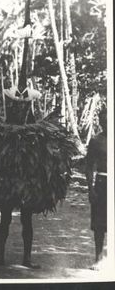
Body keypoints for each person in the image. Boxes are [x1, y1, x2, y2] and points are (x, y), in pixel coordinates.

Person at [86, 107, 107, 269]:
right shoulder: (96, 141)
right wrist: (90, 189)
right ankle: (98, 258)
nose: (106, 121)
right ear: (99, 121)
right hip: (102, 182)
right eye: (103, 118)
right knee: (100, 224)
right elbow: (88, 166)